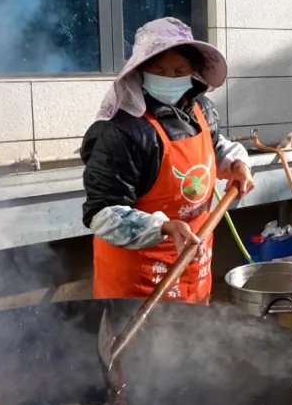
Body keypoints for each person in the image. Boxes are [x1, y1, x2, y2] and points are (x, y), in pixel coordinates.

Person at [81, 17, 255, 304]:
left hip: (193, 264)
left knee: (190, 339)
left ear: (193, 72)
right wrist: (163, 227)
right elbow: (103, 213)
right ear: (140, 72)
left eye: (179, 70)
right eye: (159, 70)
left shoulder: (201, 109)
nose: (170, 77)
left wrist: (237, 164)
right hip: (139, 283)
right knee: (143, 348)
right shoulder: (122, 130)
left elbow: (215, 146)